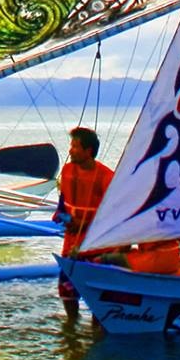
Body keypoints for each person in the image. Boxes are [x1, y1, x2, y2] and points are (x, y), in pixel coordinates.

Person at [54, 125, 114, 320]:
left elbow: (113, 214)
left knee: (100, 290)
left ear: (88, 151)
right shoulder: (68, 170)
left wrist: (84, 223)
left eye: (75, 146)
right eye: (70, 145)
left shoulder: (106, 177)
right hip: (72, 240)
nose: (70, 150)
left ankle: (99, 326)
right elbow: (63, 202)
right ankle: (71, 325)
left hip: (96, 243)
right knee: (66, 289)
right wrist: (63, 217)